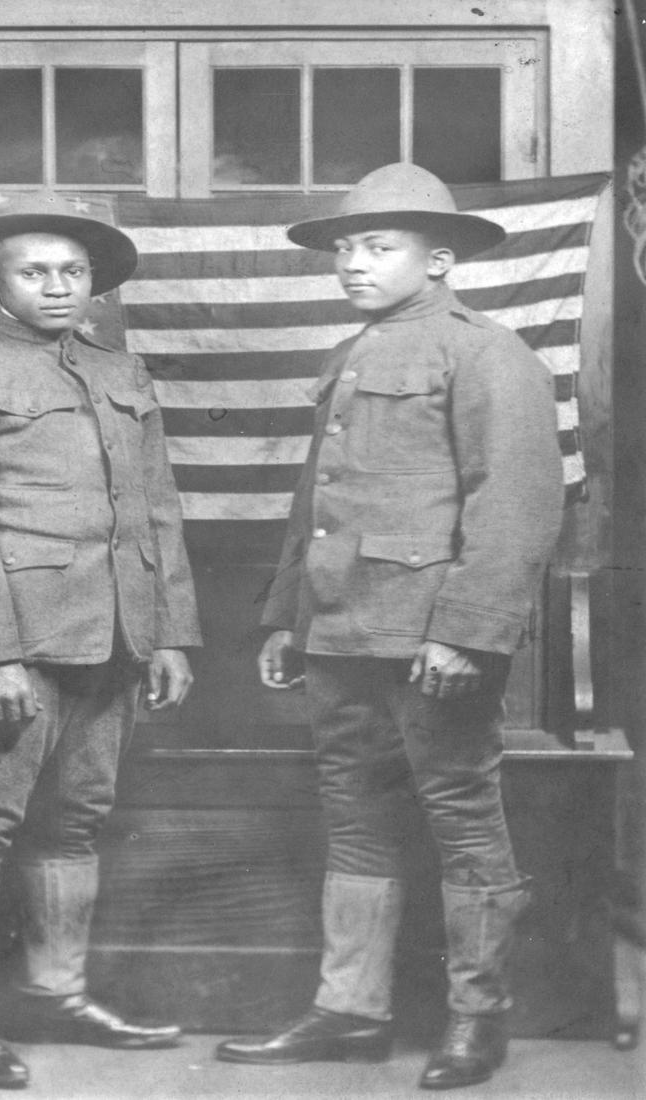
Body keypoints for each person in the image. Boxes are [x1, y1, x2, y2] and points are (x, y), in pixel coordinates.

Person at [215, 163, 564, 1090]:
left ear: (440, 259)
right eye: (345, 249)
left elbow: (518, 505)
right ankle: (351, 1011)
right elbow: (316, 508)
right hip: (339, 633)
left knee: (461, 816)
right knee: (357, 820)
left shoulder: (487, 353)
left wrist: (467, 633)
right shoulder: (351, 355)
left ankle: (478, 1021)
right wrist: (288, 617)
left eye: (379, 247)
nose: (353, 265)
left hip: (430, 639)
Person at [0, 192, 201, 1089]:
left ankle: (54, 994)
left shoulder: (118, 373)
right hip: (9, 653)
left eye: (72, 272)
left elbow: (155, 514)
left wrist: (169, 634)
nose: (57, 286)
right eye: (34, 271)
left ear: (94, 285)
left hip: (112, 643)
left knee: (74, 823)